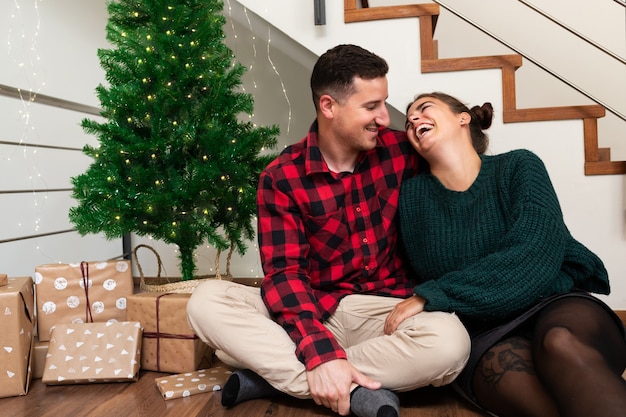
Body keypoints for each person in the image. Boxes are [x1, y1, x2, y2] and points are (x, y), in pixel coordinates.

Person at [187, 47, 471, 417]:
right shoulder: (281, 177)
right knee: (206, 301)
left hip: (386, 313)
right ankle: (354, 391)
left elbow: (464, 164)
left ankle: (280, 376)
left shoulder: (403, 152)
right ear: (328, 106)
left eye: (384, 103)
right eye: (371, 107)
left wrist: (320, 358)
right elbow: (285, 274)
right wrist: (317, 344)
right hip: (315, 310)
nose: (385, 118)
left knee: (450, 344)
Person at [392, 91, 626, 417]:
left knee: (561, 343)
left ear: (463, 118)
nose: (413, 120)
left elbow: (533, 255)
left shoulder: (518, 166)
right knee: (536, 401)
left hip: (553, 304)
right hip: (482, 331)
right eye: (408, 120)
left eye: (424, 108)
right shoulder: (412, 198)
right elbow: (432, 268)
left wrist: (434, 294)